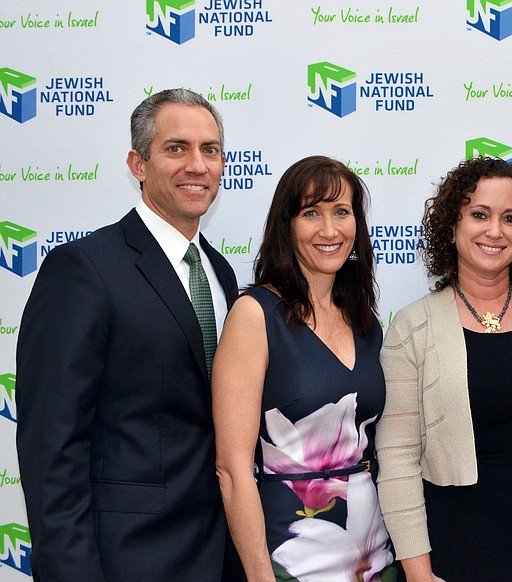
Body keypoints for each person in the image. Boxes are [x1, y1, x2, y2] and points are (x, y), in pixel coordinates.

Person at [16, 88, 244, 581]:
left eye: (210, 150)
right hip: (128, 559)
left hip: (218, 554)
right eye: (176, 148)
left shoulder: (221, 274)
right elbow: (51, 445)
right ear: (138, 164)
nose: (197, 165)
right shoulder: (83, 270)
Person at [376, 156, 512, 581]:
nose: (495, 231)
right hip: (455, 550)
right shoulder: (413, 327)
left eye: (511, 218)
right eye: (479, 215)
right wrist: (419, 572)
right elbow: (397, 460)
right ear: (451, 226)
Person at [212, 155, 396, 581]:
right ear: (287, 226)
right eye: (311, 213)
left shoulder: (365, 321)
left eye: (342, 212)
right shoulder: (255, 314)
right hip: (291, 550)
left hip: (371, 552)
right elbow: (232, 468)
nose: (329, 231)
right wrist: (261, 574)